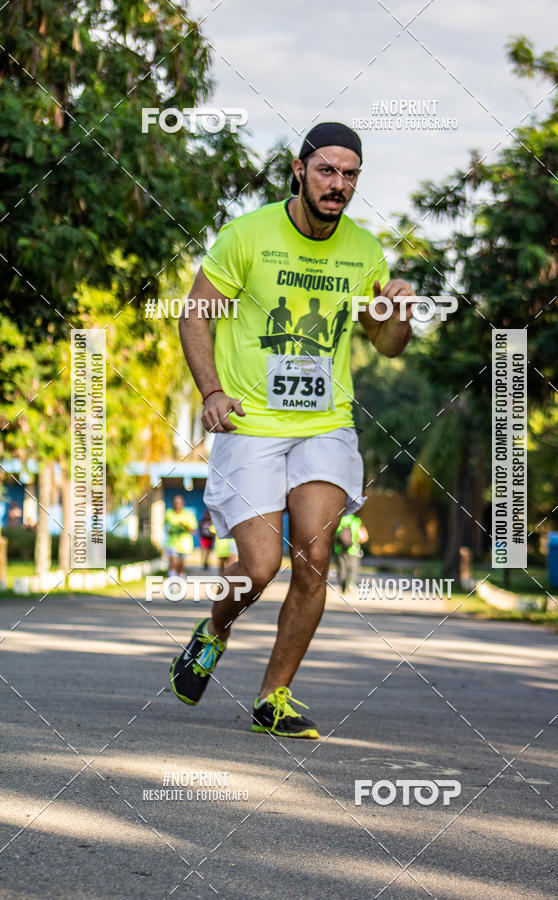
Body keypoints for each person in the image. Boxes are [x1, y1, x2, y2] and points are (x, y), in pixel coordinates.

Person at [172, 121, 415, 739]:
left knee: (314, 557)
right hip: (249, 424)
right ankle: (214, 630)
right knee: (258, 567)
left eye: (351, 174)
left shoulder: (363, 251)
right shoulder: (248, 235)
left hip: (324, 423)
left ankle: (273, 698)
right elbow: (195, 316)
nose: (339, 184)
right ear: (300, 171)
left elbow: (384, 346)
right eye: (328, 170)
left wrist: (400, 316)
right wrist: (211, 392)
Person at [164, 495, 198, 578]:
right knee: (173, 561)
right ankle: (172, 580)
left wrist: (184, 526)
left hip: (184, 544)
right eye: (175, 502)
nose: (177, 505)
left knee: (181, 565)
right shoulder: (168, 513)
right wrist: (169, 530)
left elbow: (193, 531)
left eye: (179, 503)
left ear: (183, 503)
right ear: (172, 503)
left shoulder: (188, 515)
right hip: (172, 542)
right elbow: (166, 526)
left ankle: (180, 579)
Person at [334, 513, 368, 593]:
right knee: (353, 567)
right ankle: (350, 584)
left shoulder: (339, 519)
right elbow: (363, 537)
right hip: (353, 548)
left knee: (341, 567)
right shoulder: (356, 520)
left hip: (339, 548)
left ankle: (342, 585)